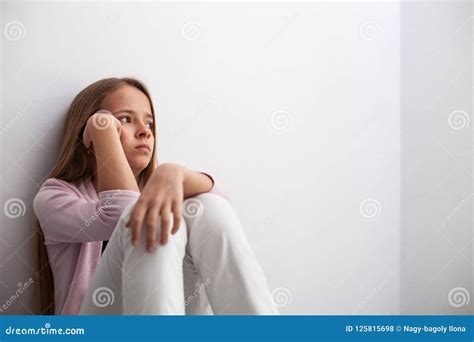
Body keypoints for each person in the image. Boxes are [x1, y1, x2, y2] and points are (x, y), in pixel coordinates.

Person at [32, 77, 278, 315]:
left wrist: (174, 173)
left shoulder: (159, 191)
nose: (144, 132)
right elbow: (121, 213)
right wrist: (102, 130)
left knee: (206, 205)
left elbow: (222, 203)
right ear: (87, 136)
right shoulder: (55, 195)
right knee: (147, 215)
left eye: (149, 123)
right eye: (125, 120)